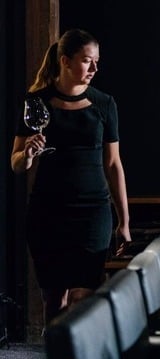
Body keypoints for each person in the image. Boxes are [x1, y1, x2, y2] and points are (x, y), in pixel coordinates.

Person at [10, 29, 132, 329]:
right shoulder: (37, 102)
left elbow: (114, 164)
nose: (94, 69)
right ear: (65, 61)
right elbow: (15, 164)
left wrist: (124, 221)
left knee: (85, 295)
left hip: (93, 213)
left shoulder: (104, 104)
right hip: (48, 212)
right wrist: (27, 154)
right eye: (87, 61)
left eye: (96, 62)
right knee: (55, 298)